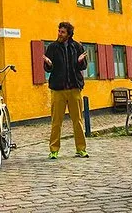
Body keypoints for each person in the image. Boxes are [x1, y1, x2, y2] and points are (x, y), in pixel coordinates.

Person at [42, 21, 89, 159]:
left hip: (74, 88)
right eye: (59, 31)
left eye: (62, 32)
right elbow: (47, 69)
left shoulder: (77, 47)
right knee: (56, 122)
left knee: (78, 121)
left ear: (69, 34)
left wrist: (80, 61)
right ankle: (54, 150)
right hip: (58, 89)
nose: (59, 34)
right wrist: (48, 64)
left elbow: (83, 67)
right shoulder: (52, 47)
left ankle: (81, 149)